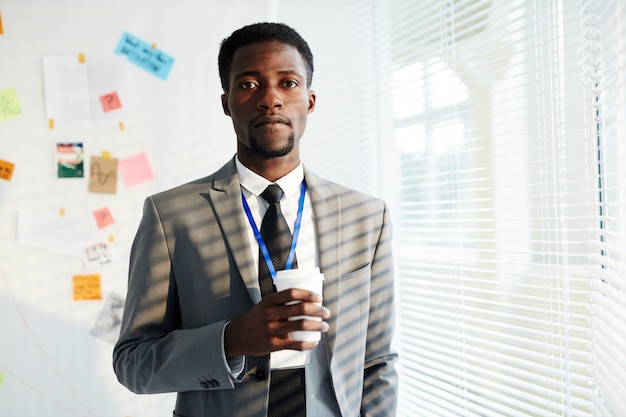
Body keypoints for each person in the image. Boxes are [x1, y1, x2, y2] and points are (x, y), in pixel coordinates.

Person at [113, 22, 398, 417]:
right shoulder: (169, 216)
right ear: (227, 102)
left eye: (288, 83)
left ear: (310, 100)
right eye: (248, 84)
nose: (271, 100)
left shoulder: (367, 216)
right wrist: (230, 341)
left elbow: (377, 360)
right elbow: (133, 363)